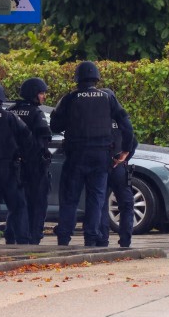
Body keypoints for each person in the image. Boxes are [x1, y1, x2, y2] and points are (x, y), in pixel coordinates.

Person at [50, 61, 133, 247]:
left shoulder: (69, 98)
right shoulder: (107, 98)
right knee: (96, 198)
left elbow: (55, 125)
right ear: (96, 77)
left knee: (70, 197)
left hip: (76, 155)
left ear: (77, 78)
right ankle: (91, 238)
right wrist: (125, 150)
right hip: (101, 156)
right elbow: (126, 124)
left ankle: (64, 238)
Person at [0, 81, 34, 244]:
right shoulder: (9, 116)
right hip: (8, 169)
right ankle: (22, 240)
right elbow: (27, 136)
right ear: (0, 97)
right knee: (18, 205)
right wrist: (22, 156)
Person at [8, 78, 52, 245]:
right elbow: (44, 140)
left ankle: (12, 236)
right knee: (37, 204)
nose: (43, 97)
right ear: (34, 94)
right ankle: (33, 238)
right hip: (34, 167)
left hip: (13, 165)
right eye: (41, 93)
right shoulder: (37, 113)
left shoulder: (11, 111)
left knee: (17, 204)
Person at [99, 88, 138, 248]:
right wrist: (124, 158)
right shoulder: (121, 117)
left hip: (100, 164)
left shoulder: (96, 119)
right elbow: (133, 141)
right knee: (126, 204)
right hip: (119, 166)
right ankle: (125, 241)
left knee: (99, 203)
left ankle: (101, 240)